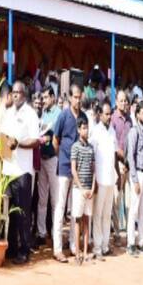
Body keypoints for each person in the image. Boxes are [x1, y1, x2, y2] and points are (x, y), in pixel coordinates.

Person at [0, 81, 43, 264]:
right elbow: (2, 137)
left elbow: (35, 141)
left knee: (24, 212)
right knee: (11, 212)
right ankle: (12, 247)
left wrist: (19, 143)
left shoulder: (30, 114)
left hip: (24, 170)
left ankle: (24, 250)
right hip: (9, 169)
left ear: (24, 95)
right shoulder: (8, 114)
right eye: (13, 92)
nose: (15, 95)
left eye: (18, 92)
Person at [52, 84, 87, 261]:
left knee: (76, 209)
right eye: (75, 96)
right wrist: (63, 156)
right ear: (69, 98)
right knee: (60, 207)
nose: (78, 100)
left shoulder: (84, 117)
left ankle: (74, 245)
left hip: (79, 170)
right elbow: (55, 140)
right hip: (65, 167)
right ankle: (57, 248)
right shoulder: (63, 115)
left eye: (80, 97)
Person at [90, 101, 119, 259]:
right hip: (100, 179)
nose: (109, 117)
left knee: (107, 214)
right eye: (106, 114)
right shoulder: (96, 132)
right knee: (98, 214)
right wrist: (93, 181)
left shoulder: (112, 131)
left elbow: (114, 154)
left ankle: (106, 245)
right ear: (100, 114)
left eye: (110, 114)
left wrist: (118, 175)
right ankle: (97, 248)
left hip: (110, 178)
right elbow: (92, 158)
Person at [126, 102, 143, 256]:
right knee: (134, 210)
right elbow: (130, 156)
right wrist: (134, 179)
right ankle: (130, 243)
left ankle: (141, 241)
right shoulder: (134, 132)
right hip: (137, 172)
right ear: (137, 115)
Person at [35, 87, 61, 246]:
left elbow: (56, 135)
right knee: (42, 199)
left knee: (55, 200)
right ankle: (41, 232)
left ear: (52, 97)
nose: (43, 100)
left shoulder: (58, 113)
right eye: (42, 98)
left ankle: (55, 234)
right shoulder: (44, 113)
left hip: (53, 159)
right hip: (42, 159)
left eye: (46, 97)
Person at [71, 118, 96, 264]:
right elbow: (73, 169)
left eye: (87, 127)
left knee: (87, 221)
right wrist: (81, 188)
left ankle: (86, 252)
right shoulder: (75, 147)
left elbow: (93, 169)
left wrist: (92, 188)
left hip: (89, 189)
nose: (86, 130)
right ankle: (77, 254)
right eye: (84, 128)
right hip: (78, 189)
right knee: (77, 220)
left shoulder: (91, 148)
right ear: (79, 130)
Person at [111, 90, 133, 242]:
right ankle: (117, 233)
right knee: (117, 199)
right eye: (121, 100)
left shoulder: (130, 120)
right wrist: (123, 159)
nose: (124, 103)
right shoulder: (113, 119)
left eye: (126, 100)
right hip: (117, 163)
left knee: (129, 201)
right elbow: (113, 145)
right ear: (116, 102)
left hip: (129, 164)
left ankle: (129, 233)